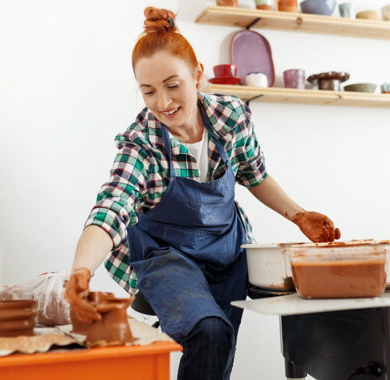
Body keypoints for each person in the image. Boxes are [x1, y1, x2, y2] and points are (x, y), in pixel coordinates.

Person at [65, 6, 340, 380]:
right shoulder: (142, 143)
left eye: (173, 85)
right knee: (209, 331)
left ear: (197, 75)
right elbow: (112, 206)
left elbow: (254, 175)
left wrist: (297, 214)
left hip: (227, 250)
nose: (163, 102)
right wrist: (80, 271)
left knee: (243, 329)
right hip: (167, 258)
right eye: (148, 91)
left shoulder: (231, 118)